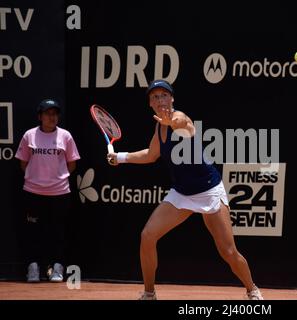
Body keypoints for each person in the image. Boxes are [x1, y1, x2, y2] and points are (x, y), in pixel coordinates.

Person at [107, 79, 264, 300]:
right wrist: (120, 158)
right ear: (150, 103)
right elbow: (151, 155)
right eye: (155, 97)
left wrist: (171, 120)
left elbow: (180, 123)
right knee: (148, 236)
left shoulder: (183, 119)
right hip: (181, 193)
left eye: (164, 95)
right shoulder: (159, 127)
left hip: (209, 190)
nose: (160, 100)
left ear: (172, 99)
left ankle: (252, 289)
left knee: (228, 252)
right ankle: (149, 293)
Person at [15, 99, 80, 283]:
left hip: (60, 193)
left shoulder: (65, 136)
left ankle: (58, 268)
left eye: (55, 114)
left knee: (59, 232)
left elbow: (72, 164)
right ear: (40, 117)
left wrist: (55, 181)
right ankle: (33, 268)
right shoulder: (29, 135)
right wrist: (38, 180)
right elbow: (23, 163)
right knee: (32, 233)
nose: (52, 117)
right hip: (32, 192)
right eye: (47, 113)